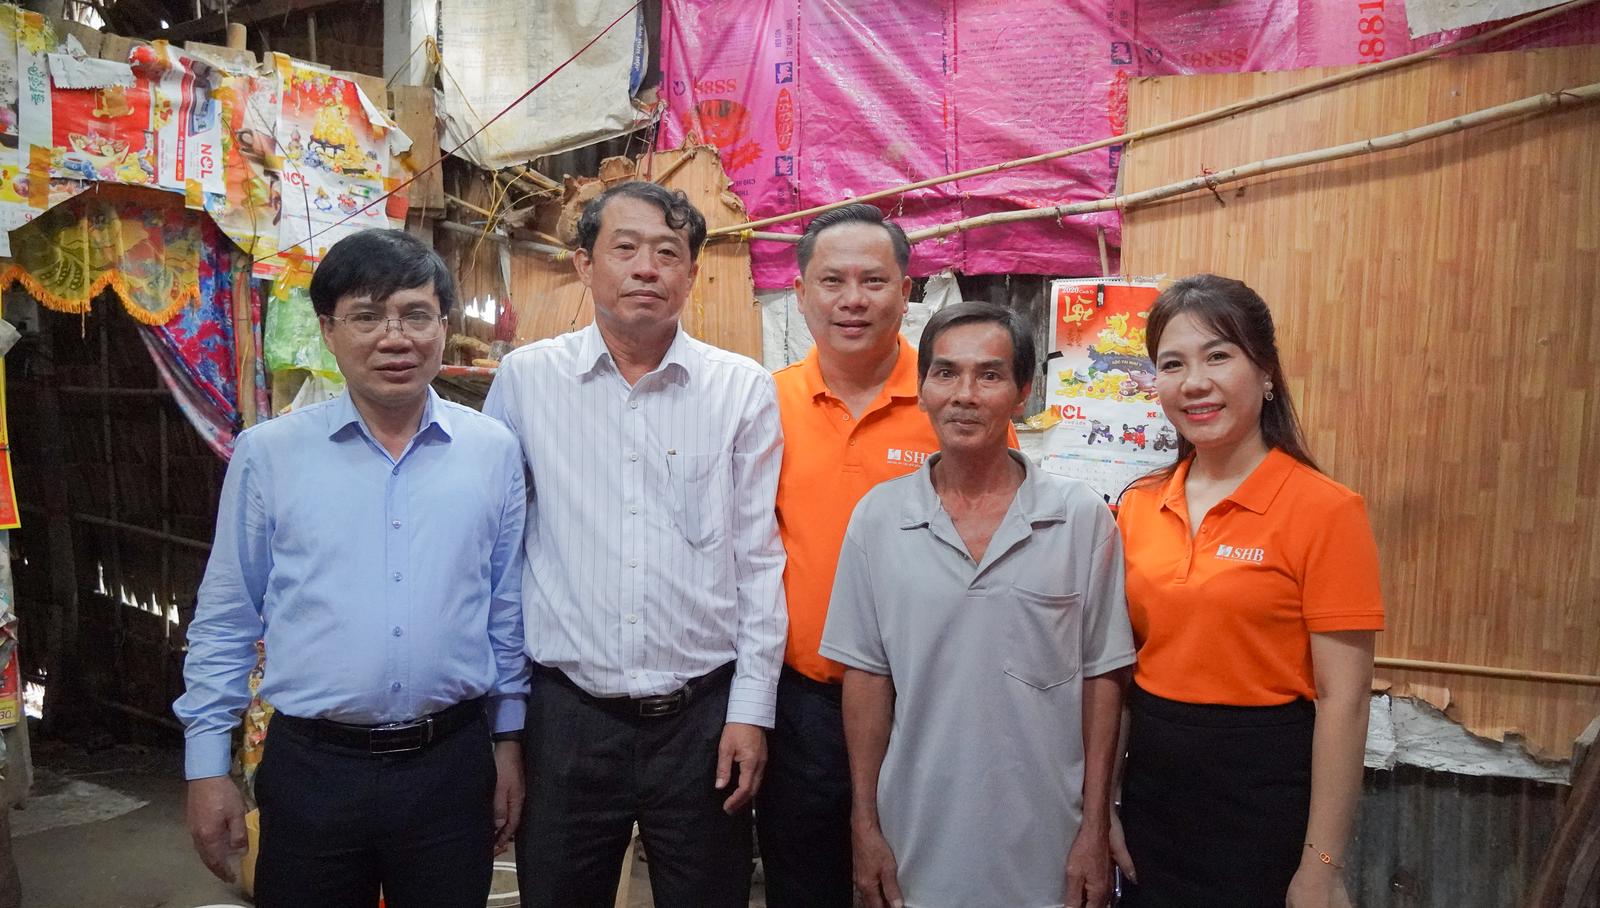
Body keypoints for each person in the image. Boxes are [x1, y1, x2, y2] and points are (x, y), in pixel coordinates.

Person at [175, 228, 530, 908]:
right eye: (366, 316)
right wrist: (206, 766)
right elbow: (226, 618)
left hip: (451, 767)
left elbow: (504, 608)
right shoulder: (269, 455)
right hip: (314, 771)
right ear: (328, 331)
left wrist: (509, 739)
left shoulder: (492, 451)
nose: (395, 338)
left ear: (444, 326)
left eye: (416, 315)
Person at [483, 181, 786, 908]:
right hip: (567, 717)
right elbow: (498, 552)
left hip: (702, 719)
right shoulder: (527, 379)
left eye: (668, 253)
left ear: (692, 273)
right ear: (584, 264)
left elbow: (758, 559)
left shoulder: (740, 389)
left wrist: (750, 709)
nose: (647, 268)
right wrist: (506, 725)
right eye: (625, 248)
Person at [820, 302, 1135, 908]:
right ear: (923, 390)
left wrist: (1096, 824)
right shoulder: (879, 519)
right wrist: (865, 823)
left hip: (1048, 835)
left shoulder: (1079, 518)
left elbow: (1103, 680)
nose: (964, 395)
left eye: (989, 375)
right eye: (946, 373)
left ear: (1022, 393)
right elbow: (867, 680)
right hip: (916, 832)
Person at [1111, 274, 1383, 908]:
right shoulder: (1139, 505)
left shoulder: (1327, 510)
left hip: (1264, 803)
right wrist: (1104, 807)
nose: (1194, 383)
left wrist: (1322, 866)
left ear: (1265, 374)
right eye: (1172, 364)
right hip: (1152, 796)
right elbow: (1119, 673)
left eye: (1218, 356)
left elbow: (1345, 702)